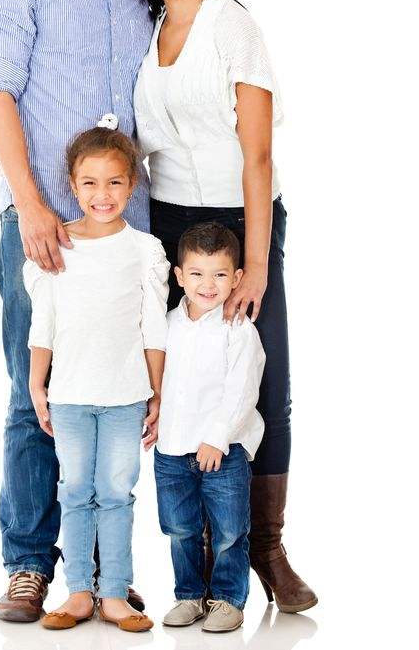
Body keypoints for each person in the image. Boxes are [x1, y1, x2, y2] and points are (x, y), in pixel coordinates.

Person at [0, 0, 159, 621]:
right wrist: (31, 205)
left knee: (117, 399)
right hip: (44, 226)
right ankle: (28, 564)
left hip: (127, 237)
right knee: (36, 393)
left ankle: (102, 572)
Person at [133, 0, 317, 612]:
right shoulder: (148, 28)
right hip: (168, 223)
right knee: (185, 379)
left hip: (241, 221)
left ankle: (266, 547)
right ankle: (205, 560)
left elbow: (257, 154)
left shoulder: (230, 25)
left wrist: (257, 262)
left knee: (261, 377)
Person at [23, 119, 169, 632]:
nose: (102, 194)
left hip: (126, 395)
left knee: (115, 492)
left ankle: (115, 594)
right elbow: (43, 324)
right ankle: (78, 592)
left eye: (114, 182)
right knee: (74, 491)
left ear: (132, 185)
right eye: (90, 182)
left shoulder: (144, 250)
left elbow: (154, 327)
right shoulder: (57, 247)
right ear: (72, 184)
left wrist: (156, 393)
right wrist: (37, 384)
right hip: (69, 395)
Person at [156, 222, 265, 632]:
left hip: (224, 450)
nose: (208, 284)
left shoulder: (238, 329)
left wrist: (217, 437)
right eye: (197, 274)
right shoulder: (166, 325)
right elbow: (155, 377)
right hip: (172, 449)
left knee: (229, 530)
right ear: (179, 276)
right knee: (179, 528)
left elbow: (242, 390)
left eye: (219, 274)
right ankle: (188, 595)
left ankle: (227, 599)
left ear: (236, 278)